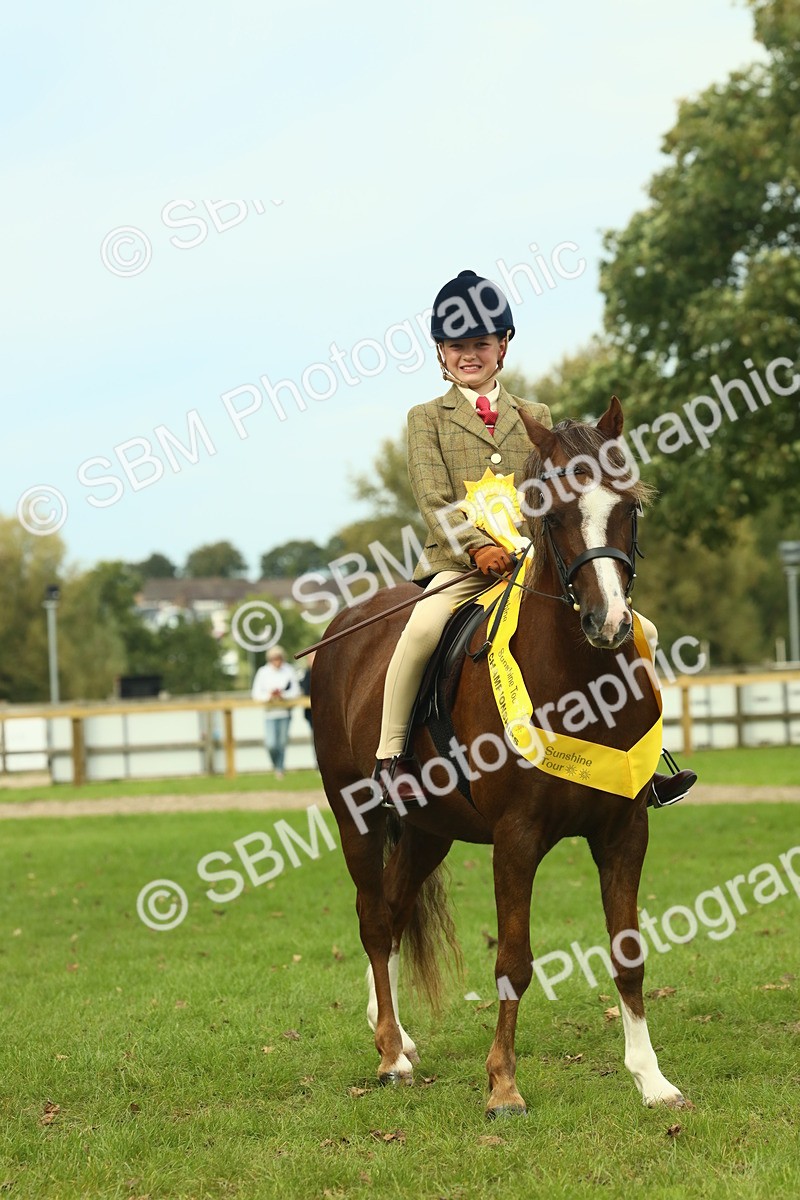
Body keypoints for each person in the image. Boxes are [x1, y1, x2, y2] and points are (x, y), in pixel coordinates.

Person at [374, 269, 696, 808]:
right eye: (457, 347)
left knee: (647, 632)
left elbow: (556, 501)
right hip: (461, 566)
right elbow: (433, 499)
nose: (469, 355)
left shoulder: (536, 417)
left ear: (503, 346)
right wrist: (476, 548)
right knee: (421, 630)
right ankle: (391, 760)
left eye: (480, 344)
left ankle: (644, 758)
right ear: (440, 353)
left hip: (532, 563)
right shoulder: (426, 419)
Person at [251, 645, 301, 778]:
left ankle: (280, 769)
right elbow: (256, 693)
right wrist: (269, 696)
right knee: (271, 744)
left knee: (282, 742)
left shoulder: (289, 670)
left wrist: (282, 695)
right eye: (274, 659)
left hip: (285, 712)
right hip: (270, 713)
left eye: (279, 659)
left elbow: (295, 691)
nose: (277, 661)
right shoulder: (263, 672)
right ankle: (276, 765)